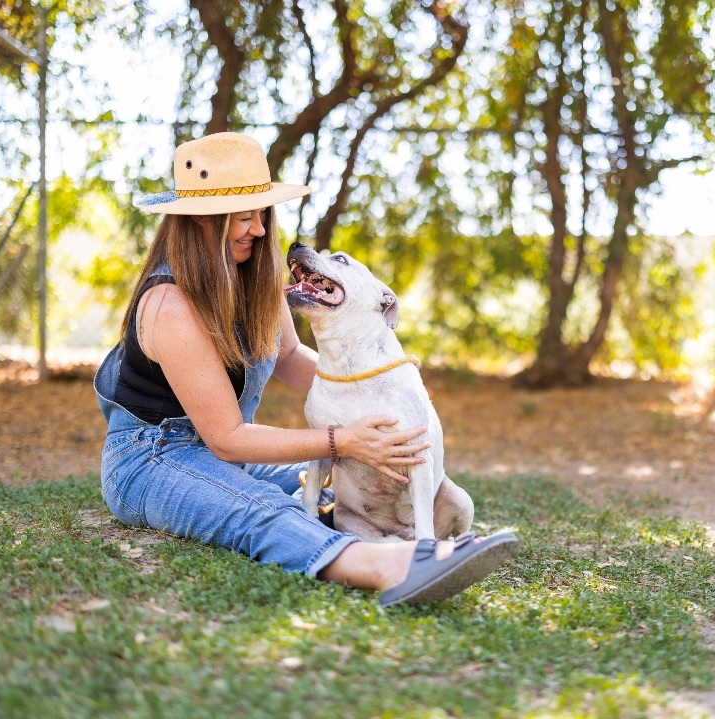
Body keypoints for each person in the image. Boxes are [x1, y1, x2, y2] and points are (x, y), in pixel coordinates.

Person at [92, 132, 517, 607]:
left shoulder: (253, 274)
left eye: (262, 214)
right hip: (153, 458)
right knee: (265, 508)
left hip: (228, 451)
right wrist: (342, 440)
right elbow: (227, 438)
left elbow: (290, 357)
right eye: (243, 217)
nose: (258, 230)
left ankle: (414, 537)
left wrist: (379, 386)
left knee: (348, 483)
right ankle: (390, 566)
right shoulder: (169, 305)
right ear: (200, 220)